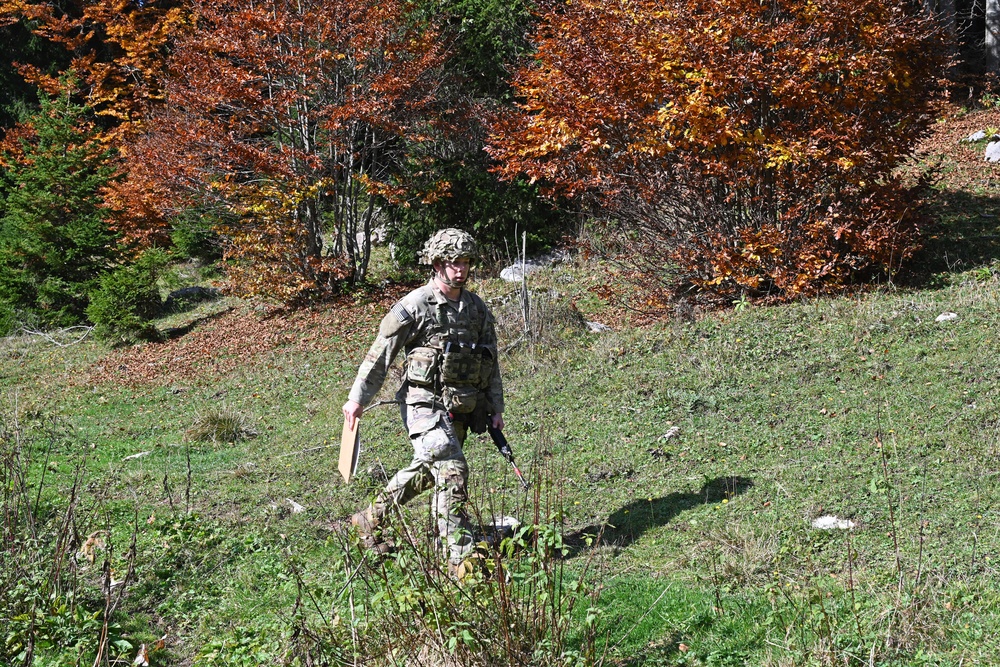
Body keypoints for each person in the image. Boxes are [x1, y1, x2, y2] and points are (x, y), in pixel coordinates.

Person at [341, 228, 505, 570]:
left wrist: (495, 407)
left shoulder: (476, 309)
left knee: (430, 471)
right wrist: (357, 399)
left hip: (461, 404)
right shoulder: (415, 305)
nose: (460, 269)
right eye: (453, 262)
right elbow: (380, 355)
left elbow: (491, 361)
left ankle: (370, 517)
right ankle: (461, 559)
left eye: (466, 262)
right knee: (452, 468)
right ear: (436, 264)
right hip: (422, 402)